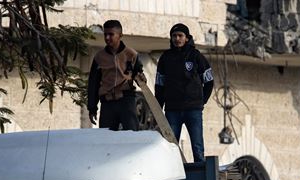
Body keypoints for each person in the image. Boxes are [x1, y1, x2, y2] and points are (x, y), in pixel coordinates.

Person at [155, 23, 214, 162]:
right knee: (170, 147)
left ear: (187, 38)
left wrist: (201, 101)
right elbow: (159, 85)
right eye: (174, 36)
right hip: (172, 110)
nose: (177, 39)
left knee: (197, 147)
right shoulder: (165, 58)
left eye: (180, 36)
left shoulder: (196, 56)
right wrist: (159, 107)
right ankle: (172, 177)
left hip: (193, 110)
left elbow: (209, 81)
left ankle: (201, 177)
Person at [87, 19, 143, 131]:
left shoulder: (131, 54)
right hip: (107, 103)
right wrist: (92, 108)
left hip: (126, 101)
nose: (107, 38)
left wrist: (141, 77)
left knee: (132, 135)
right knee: (106, 138)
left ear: (120, 35)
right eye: (105, 34)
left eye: (111, 34)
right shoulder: (99, 57)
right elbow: (93, 84)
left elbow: (139, 74)